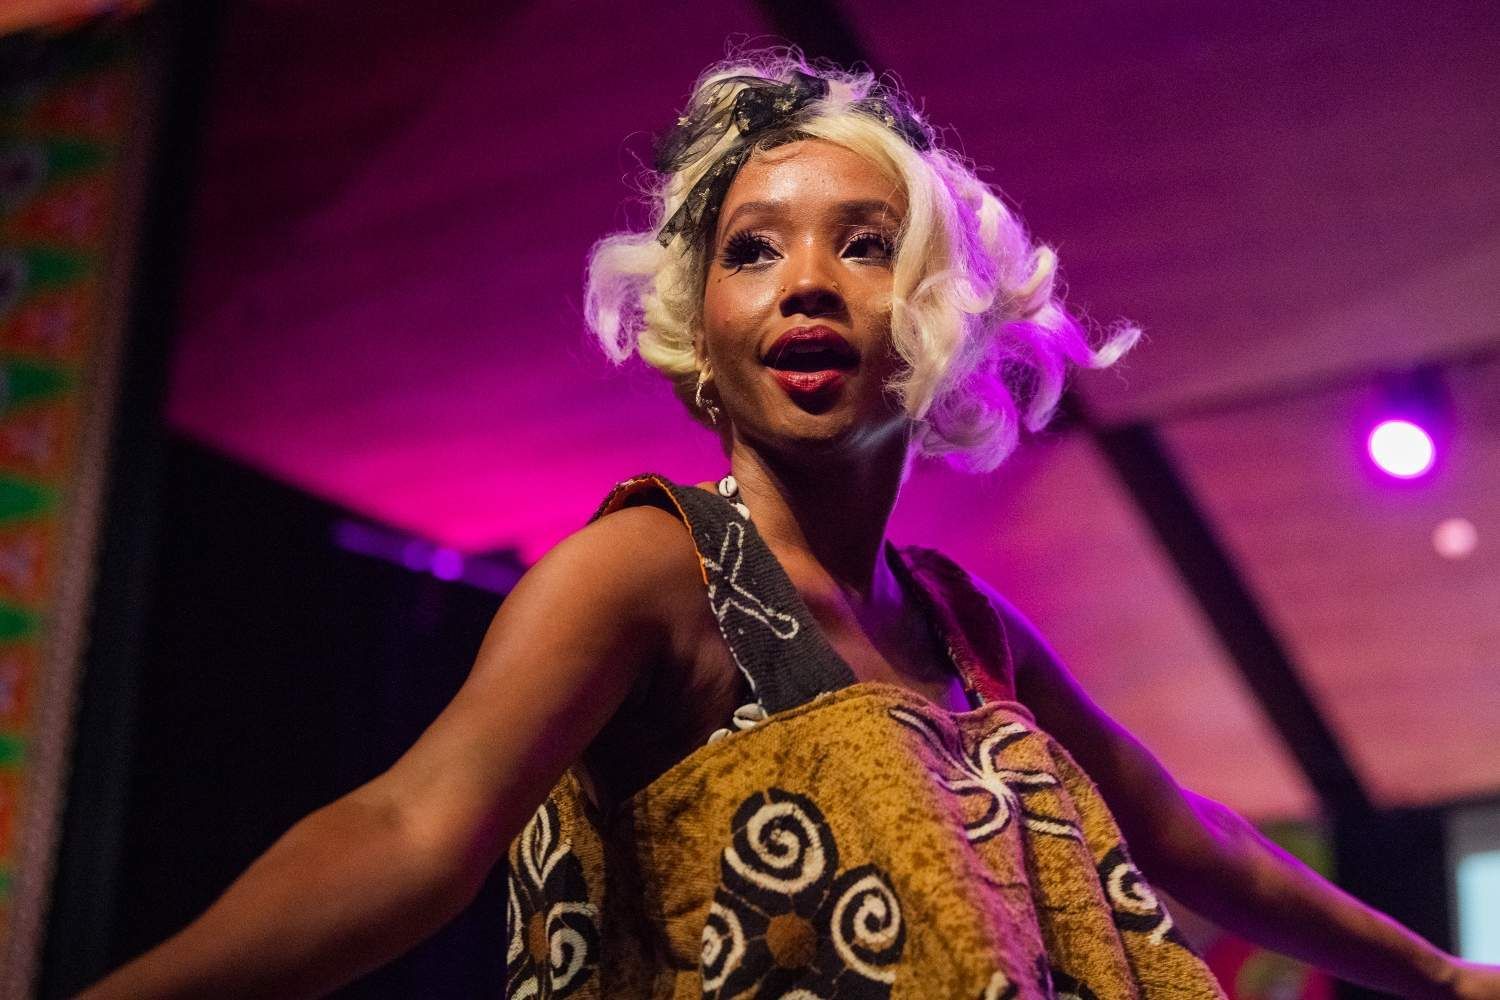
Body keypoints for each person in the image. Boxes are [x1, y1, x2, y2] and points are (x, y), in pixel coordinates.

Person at [82, 52, 1499, 999]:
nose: (805, 281)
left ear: (939, 318)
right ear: (702, 316)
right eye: (752, 249)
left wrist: (1442, 979)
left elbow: (1182, 835)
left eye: (864, 244)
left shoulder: (964, 632)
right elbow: (407, 829)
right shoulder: (653, 571)